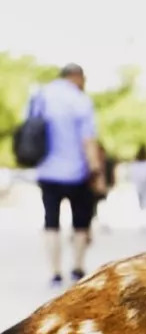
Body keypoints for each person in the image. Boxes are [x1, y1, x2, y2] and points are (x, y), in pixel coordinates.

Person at [33, 63, 102, 288]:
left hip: (47, 170)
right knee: (80, 223)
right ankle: (77, 268)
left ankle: (54, 272)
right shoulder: (81, 100)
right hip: (77, 172)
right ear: (78, 77)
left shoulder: (40, 95)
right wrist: (96, 169)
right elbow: (88, 139)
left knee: (51, 221)